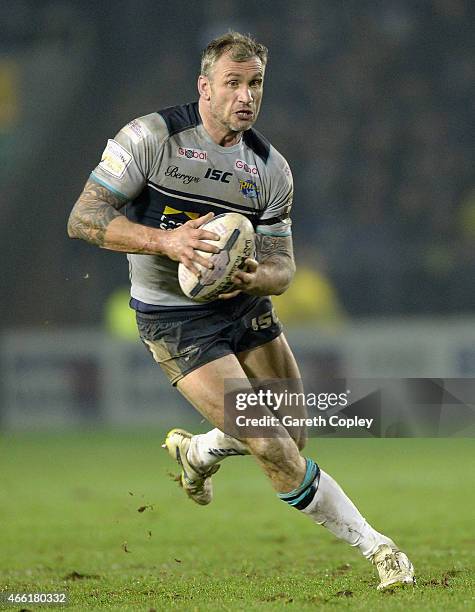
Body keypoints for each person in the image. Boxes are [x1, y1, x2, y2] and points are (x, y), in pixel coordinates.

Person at [67, 31, 414, 591]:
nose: (245, 96)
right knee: (272, 446)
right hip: (174, 320)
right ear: (205, 88)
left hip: (243, 308)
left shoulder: (270, 169)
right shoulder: (151, 137)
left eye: (255, 84)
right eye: (233, 83)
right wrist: (167, 243)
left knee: (293, 433)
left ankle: (199, 450)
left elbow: (284, 267)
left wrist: (258, 275)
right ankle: (379, 548)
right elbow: (83, 218)